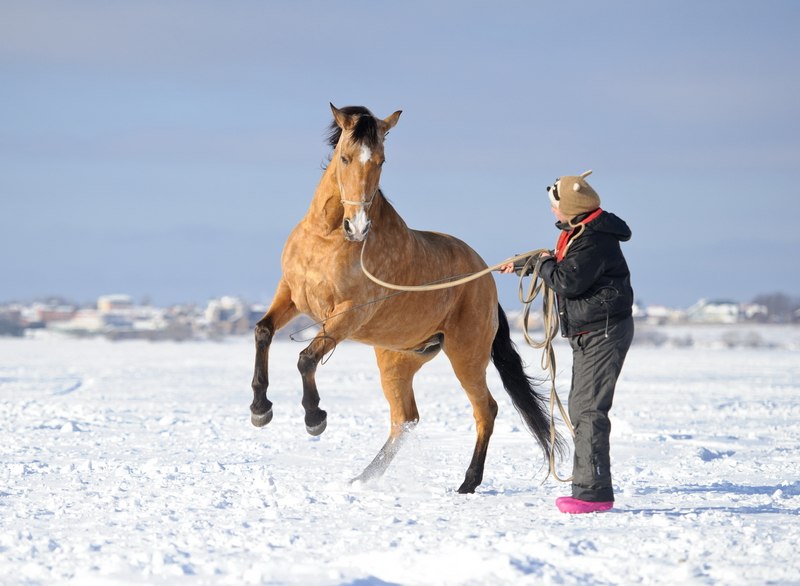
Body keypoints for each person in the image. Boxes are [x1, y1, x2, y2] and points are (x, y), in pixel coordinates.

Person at [499, 170, 634, 514]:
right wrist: (524, 264)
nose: (552, 212)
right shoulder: (583, 233)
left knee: (588, 410)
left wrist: (543, 263)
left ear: (571, 207)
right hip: (591, 332)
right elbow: (561, 265)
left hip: (602, 332)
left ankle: (593, 493)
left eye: (555, 205)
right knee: (581, 407)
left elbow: (567, 280)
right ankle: (586, 483)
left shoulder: (594, 240)